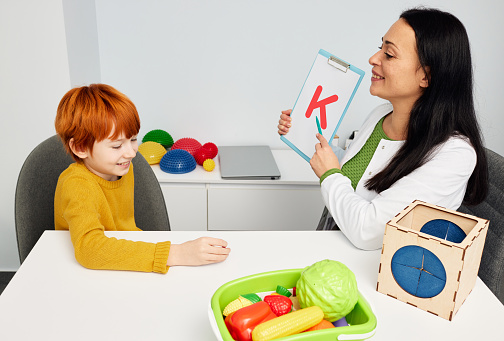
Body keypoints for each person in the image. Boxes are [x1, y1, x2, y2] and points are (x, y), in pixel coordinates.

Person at [278, 7, 488, 250]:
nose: (373, 59)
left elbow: (368, 232)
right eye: (380, 48)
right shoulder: (381, 116)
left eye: (389, 54)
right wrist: (311, 139)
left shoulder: (453, 155)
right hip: (334, 247)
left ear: (426, 77)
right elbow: (356, 176)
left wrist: (329, 175)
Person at [54, 84, 230, 273]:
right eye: (116, 146)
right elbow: (90, 250)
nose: (131, 152)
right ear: (80, 147)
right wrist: (177, 253)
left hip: (123, 257)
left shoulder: (121, 168)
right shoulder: (77, 184)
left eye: (132, 139)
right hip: (87, 271)